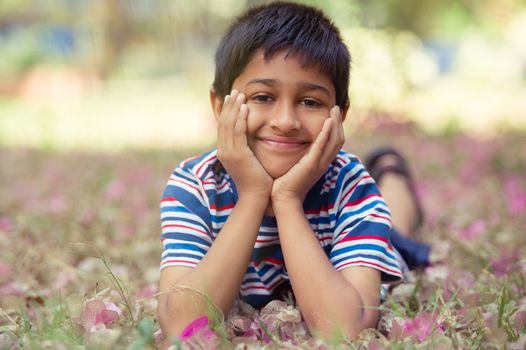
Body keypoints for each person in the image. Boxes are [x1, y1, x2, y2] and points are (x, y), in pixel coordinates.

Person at [157, 1, 429, 343]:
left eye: (310, 102)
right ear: (219, 106)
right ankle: (388, 171)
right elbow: (182, 325)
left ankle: (391, 170)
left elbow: (345, 330)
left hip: (374, 245)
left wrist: (286, 199)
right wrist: (254, 196)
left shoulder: (350, 184)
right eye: (262, 96)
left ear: (339, 115)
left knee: (398, 234)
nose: (285, 122)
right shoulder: (195, 183)